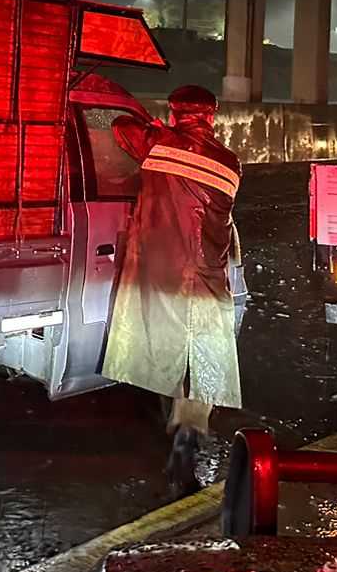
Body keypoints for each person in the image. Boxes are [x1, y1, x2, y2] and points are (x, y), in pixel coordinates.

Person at [101, 84, 243, 498]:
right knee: (200, 365)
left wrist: (155, 124)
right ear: (212, 117)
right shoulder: (231, 163)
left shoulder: (157, 144)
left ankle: (167, 437)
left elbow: (119, 125)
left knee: (162, 349)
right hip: (208, 277)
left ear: (175, 111)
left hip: (162, 274)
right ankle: (186, 447)